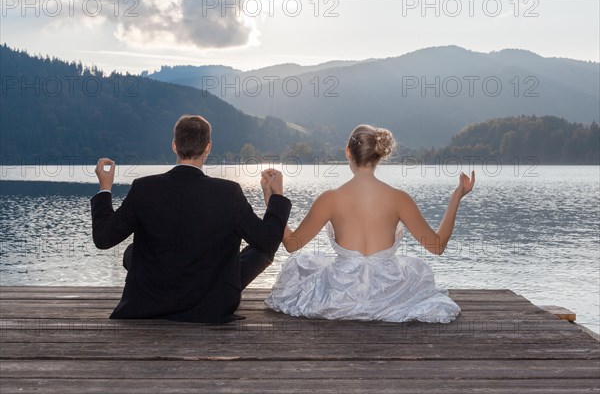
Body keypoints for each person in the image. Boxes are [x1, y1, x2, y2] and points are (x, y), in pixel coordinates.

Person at [91, 115, 291, 323]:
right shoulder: (228, 192)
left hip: (150, 302)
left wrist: (105, 189)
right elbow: (268, 241)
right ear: (208, 147)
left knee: (131, 253)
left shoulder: (144, 188)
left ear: (174, 145)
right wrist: (275, 198)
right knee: (260, 250)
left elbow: (103, 238)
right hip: (211, 304)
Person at [265, 125, 475, 323]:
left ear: (348, 152)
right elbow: (437, 246)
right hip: (389, 290)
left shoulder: (330, 199)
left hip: (343, 290)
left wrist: (273, 200)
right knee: (416, 270)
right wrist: (457, 195)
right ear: (379, 155)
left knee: (301, 266)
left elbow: (291, 244)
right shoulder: (399, 198)